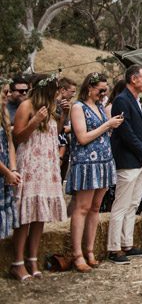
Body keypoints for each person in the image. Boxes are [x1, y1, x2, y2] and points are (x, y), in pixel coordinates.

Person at [10, 73, 67, 281]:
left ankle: (32, 259)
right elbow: (17, 137)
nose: (59, 92)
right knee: (25, 216)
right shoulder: (27, 106)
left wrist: (62, 118)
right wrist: (34, 121)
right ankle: (17, 262)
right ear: (47, 89)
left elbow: (54, 134)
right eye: (56, 89)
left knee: (40, 215)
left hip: (47, 165)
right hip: (30, 164)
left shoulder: (51, 108)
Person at [67, 72, 122, 272]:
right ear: (89, 88)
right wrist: (107, 125)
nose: (103, 93)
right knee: (82, 208)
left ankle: (90, 250)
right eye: (100, 90)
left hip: (104, 161)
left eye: (106, 90)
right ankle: (77, 254)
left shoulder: (99, 107)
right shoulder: (77, 107)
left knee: (96, 207)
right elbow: (82, 137)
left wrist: (111, 124)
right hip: (86, 163)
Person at [107, 64, 142, 264]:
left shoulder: (138, 100)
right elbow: (125, 132)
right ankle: (114, 248)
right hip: (128, 160)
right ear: (133, 79)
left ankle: (127, 244)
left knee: (134, 204)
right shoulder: (121, 100)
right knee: (121, 205)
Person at [0, 82, 21, 241]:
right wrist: (6, 172)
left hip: (4, 175)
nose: (7, 95)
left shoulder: (4, 114)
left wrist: (13, 170)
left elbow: (10, 144)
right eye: (5, 92)